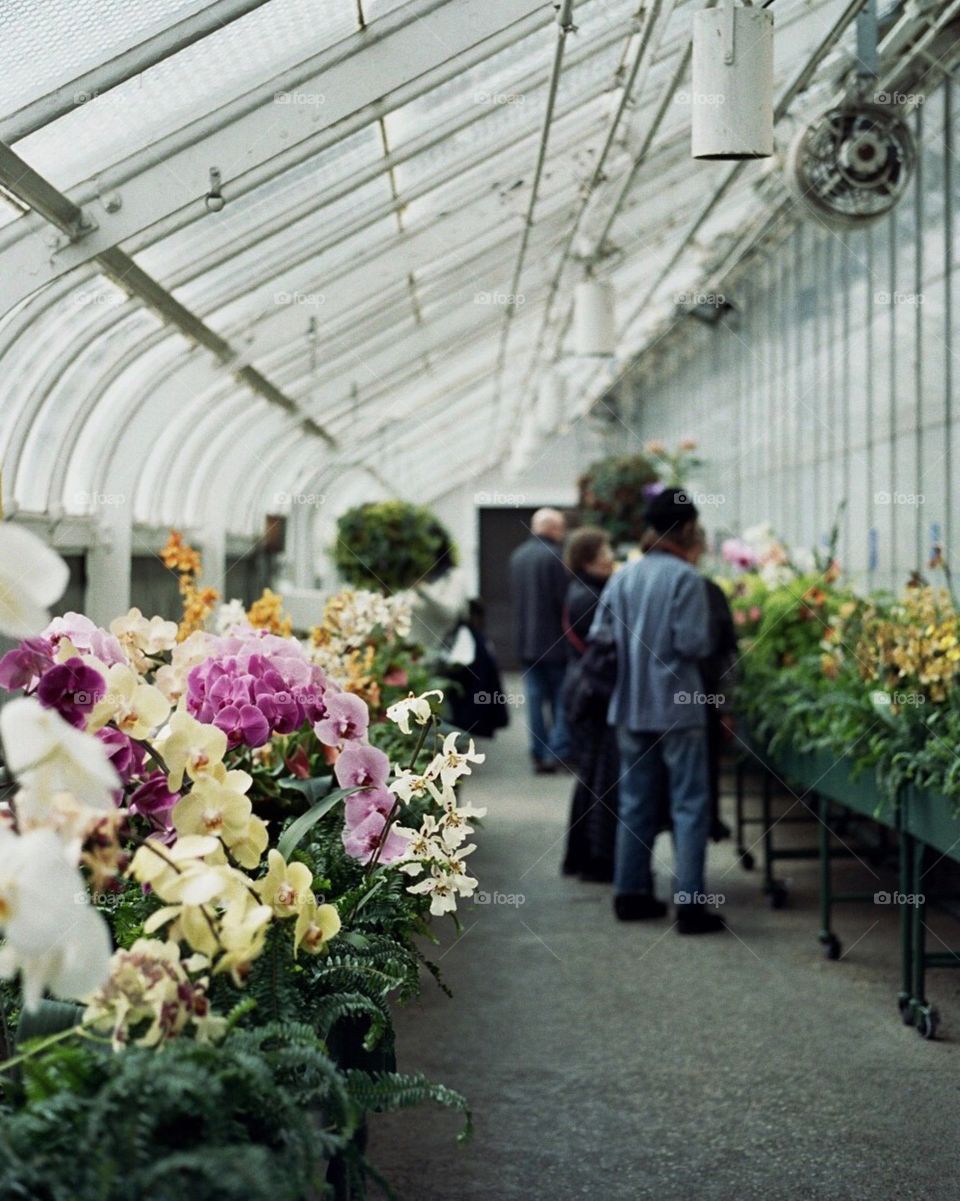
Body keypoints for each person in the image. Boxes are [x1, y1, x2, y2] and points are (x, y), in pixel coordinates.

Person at [590, 488, 725, 934]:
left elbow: (600, 636)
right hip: (679, 709)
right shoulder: (686, 580)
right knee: (689, 804)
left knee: (636, 802)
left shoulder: (623, 577)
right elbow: (694, 644)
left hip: (628, 707)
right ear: (686, 529)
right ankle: (689, 904)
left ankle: (630, 895)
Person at [560, 527, 619, 882]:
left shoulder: (584, 590)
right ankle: (593, 858)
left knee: (593, 775)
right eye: (604, 552)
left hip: (583, 690)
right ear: (587, 560)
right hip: (591, 694)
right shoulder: (588, 596)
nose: (611, 557)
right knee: (599, 776)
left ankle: (583, 856)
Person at [509, 507, 572, 774]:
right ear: (554, 528)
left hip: (527, 643)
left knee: (534, 702)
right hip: (557, 643)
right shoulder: (558, 557)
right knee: (560, 701)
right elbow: (566, 603)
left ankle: (538, 752)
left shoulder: (518, 557)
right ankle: (555, 753)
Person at [688, 525, 738, 842]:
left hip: (643, 706)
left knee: (643, 798)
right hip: (700, 702)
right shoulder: (707, 591)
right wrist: (726, 706)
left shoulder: (628, 582)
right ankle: (691, 889)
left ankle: (634, 884)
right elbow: (726, 656)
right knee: (696, 789)